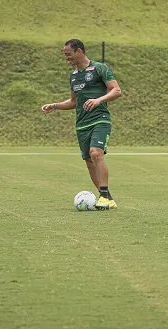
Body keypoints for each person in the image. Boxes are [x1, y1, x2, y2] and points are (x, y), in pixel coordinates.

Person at [41, 39, 122, 210]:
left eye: (68, 54)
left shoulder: (100, 68)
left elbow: (116, 90)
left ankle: (104, 195)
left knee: (96, 153)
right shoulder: (73, 76)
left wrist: (99, 100)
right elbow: (73, 102)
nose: (66, 58)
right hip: (82, 124)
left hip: (100, 119)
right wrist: (55, 106)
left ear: (79, 51)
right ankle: (107, 198)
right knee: (89, 161)